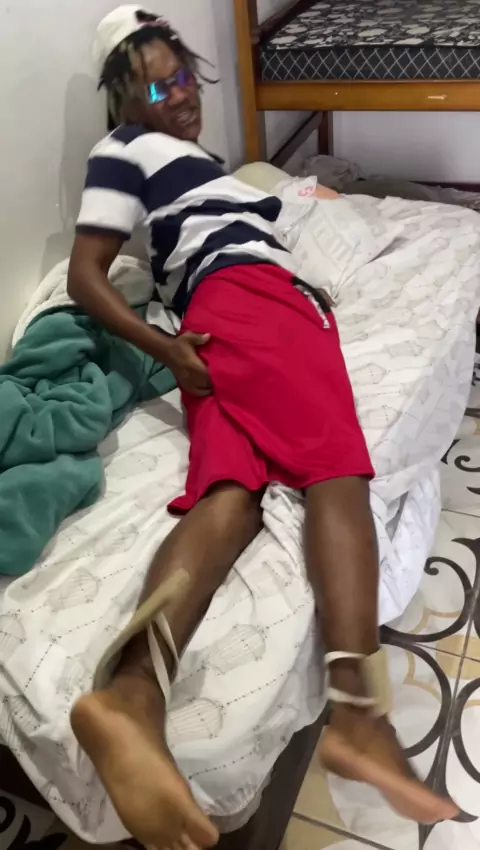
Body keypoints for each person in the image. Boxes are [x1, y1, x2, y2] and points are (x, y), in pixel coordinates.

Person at [68, 7, 458, 849]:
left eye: (183, 75)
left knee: (231, 496)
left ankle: (132, 693)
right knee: (336, 471)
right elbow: (85, 275)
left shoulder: (198, 167)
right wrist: (164, 348)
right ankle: (358, 717)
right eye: (157, 85)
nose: (181, 94)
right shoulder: (125, 149)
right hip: (248, 305)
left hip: (226, 317)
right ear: (123, 98)